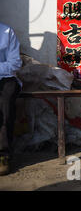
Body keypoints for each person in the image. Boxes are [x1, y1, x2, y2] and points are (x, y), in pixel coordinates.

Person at [0, 22, 22, 176]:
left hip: (5, 78)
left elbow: (15, 64)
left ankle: (3, 155)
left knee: (4, 105)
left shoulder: (7, 32)